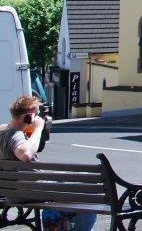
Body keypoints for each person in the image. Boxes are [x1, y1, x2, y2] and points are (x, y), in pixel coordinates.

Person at [0, 95, 96, 230]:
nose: (39, 119)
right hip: (29, 190)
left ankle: (55, 224)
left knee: (72, 184)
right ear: (28, 117)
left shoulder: (3, 132)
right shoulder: (16, 135)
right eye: (37, 115)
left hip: (13, 193)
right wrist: (38, 128)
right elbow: (25, 154)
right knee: (89, 190)